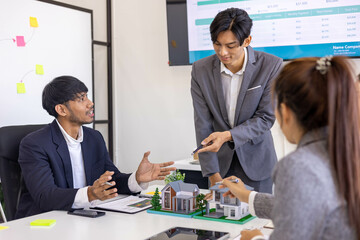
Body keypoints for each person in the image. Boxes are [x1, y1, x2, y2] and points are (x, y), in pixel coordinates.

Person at [221, 56, 359, 239]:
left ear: (285, 111)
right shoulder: (346, 150)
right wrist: (247, 195)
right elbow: (303, 205)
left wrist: (253, 238)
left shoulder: (298, 166)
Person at [15, 76, 176, 219]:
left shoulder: (94, 138)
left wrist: (136, 178)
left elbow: (110, 180)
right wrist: (90, 193)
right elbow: (45, 196)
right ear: (61, 109)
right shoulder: (35, 144)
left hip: (84, 216)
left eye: (87, 96)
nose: (90, 103)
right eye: (81, 99)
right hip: (46, 222)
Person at [191, 8, 282, 193]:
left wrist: (227, 135)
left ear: (247, 41)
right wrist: (213, 175)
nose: (223, 52)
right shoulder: (200, 70)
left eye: (231, 46)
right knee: (219, 220)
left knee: (258, 220)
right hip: (220, 165)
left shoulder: (271, 66)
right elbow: (203, 125)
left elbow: (265, 118)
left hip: (257, 164)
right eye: (217, 44)